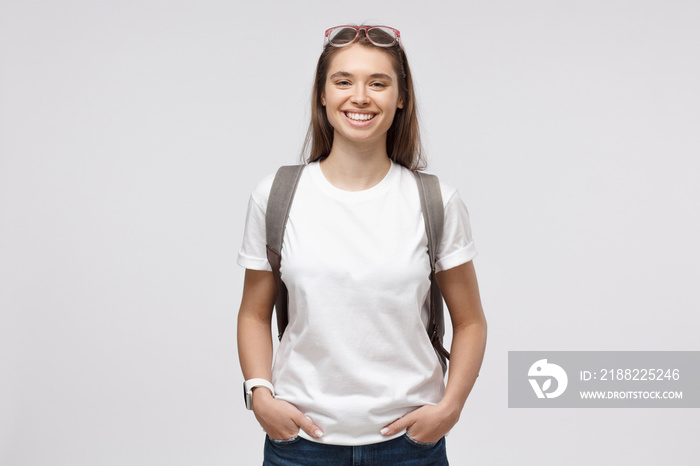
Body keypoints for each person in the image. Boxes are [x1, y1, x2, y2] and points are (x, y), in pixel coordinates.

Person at [237, 25, 487, 465]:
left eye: (378, 83)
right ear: (322, 93)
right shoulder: (276, 195)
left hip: (409, 448)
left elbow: (470, 322)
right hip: (299, 446)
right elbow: (254, 313)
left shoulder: (435, 201)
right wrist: (259, 394)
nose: (360, 97)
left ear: (401, 97)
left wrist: (450, 408)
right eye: (343, 81)